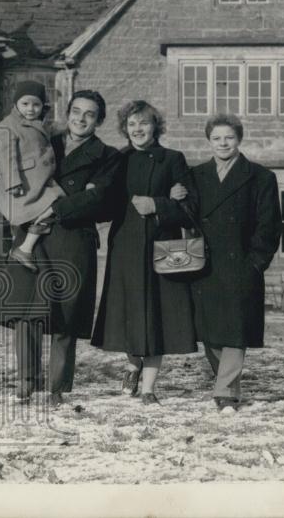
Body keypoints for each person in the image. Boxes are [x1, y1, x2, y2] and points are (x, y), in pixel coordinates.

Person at [0, 90, 122, 406]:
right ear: (67, 113)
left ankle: (56, 388)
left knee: (65, 314)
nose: (81, 119)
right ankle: (26, 382)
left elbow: (100, 199)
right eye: (76, 111)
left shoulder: (107, 156)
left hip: (73, 237)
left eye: (90, 114)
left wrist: (55, 209)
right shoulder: (43, 140)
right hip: (31, 233)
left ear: (99, 121)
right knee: (26, 311)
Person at [90, 100, 198, 406]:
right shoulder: (117, 159)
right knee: (127, 313)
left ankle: (149, 388)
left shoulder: (173, 159)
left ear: (156, 127)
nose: (138, 129)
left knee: (157, 315)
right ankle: (133, 364)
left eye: (144, 123)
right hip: (125, 246)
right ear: (125, 128)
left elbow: (192, 207)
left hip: (162, 247)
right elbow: (102, 198)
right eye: (132, 124)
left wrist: (160, 204)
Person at [176, 114, 282, 413]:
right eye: (217, 138)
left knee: (235, 329)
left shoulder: (261, 177)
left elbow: (270, 225)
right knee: (211, 331)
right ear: (209, 141)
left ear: (239, 139)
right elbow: (188, 217)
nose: (223, 143)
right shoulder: (196, 176)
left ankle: (225, 393)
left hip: (240, 265)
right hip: (205, 265)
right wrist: (176, 198)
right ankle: (227, 386)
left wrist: (255, 263)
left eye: (229, 137)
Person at [0, 80, 66, 272]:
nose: (31, 109)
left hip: (38, 181)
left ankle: (24, 249)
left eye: (36, 104)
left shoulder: (38, 123)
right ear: (15, 104)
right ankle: (24, 249)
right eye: (25, 104)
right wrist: (12, 182)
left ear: (43, 106)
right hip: (24, 184)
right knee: (55, 203)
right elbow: (6, 157)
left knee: (51, 209)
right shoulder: (7, 126)